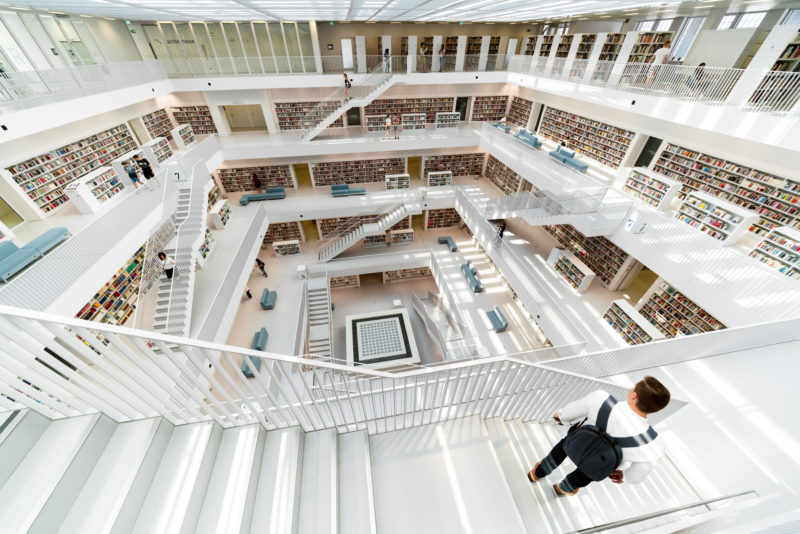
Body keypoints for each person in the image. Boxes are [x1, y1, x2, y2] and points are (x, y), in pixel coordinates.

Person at [527, 376, 671, 497]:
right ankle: (564, 488)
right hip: (598, 464)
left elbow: (569, 412)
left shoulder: (601, 398)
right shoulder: (655, 444)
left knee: (561, 450)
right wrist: (625, 476)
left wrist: (560, 416)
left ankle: (538, 473)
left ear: (634, 395)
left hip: (576, 444)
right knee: (584, 475)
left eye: (634, 387)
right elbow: (638, 474)